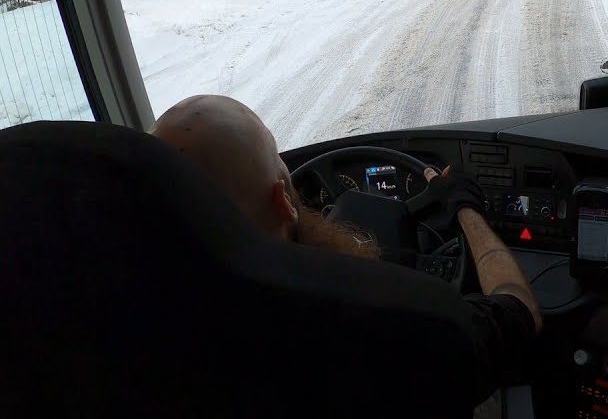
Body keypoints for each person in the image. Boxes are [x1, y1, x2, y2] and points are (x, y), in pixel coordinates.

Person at [149, 94, 541, 407]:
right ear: (284, 201)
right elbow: (520, 311)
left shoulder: (144, 345)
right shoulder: (390, 331)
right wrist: (465, 207)